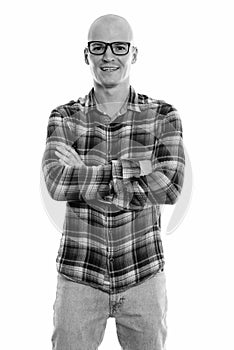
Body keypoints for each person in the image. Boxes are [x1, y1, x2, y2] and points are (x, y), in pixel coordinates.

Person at [42, 13, 185, 350]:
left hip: (143, 275)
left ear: (133, 54)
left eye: (119, 47)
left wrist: (87, 169)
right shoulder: (64, 117)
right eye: (99, 47)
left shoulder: (163, 116)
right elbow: (58, 183)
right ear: (86, 54)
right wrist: (138, 167)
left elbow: (171, 186)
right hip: (79, 276)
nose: (109, 56)